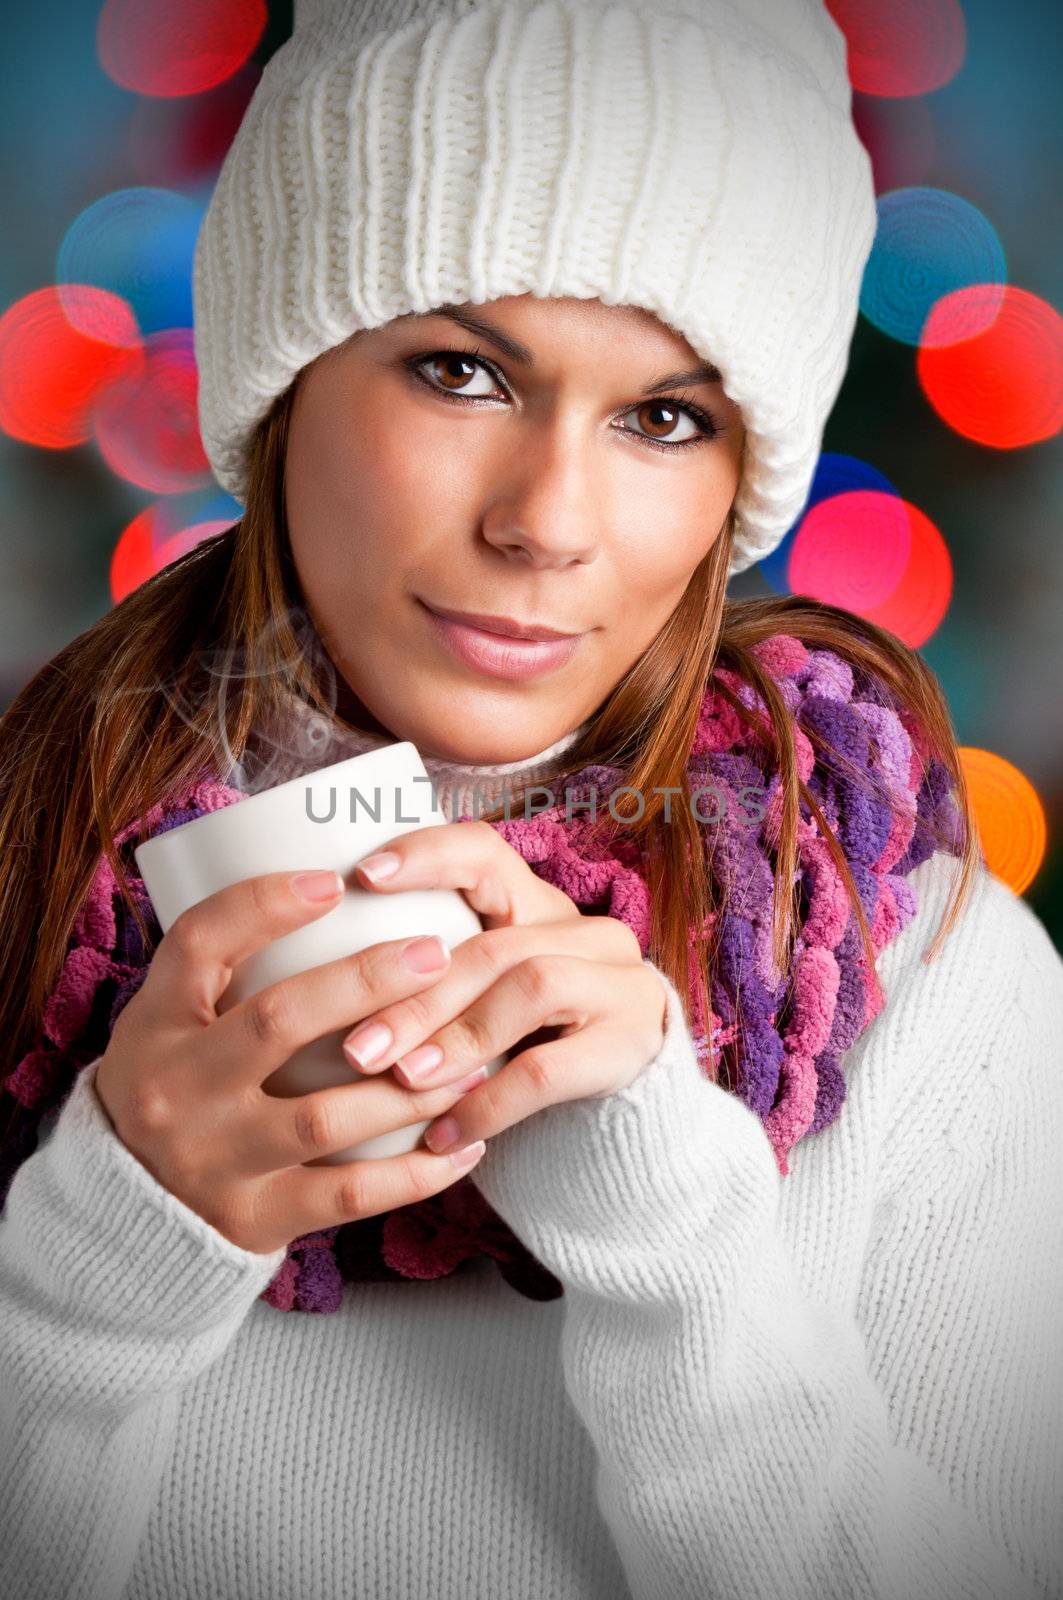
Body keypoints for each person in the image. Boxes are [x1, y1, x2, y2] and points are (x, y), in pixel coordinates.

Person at [1, 1, 1061, 1597]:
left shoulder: (935, 978)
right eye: (460, 372)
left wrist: (667, 1217)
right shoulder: (21, 874)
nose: (551, 521)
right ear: (286, 382)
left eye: (664, 418)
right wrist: (100, 1268)